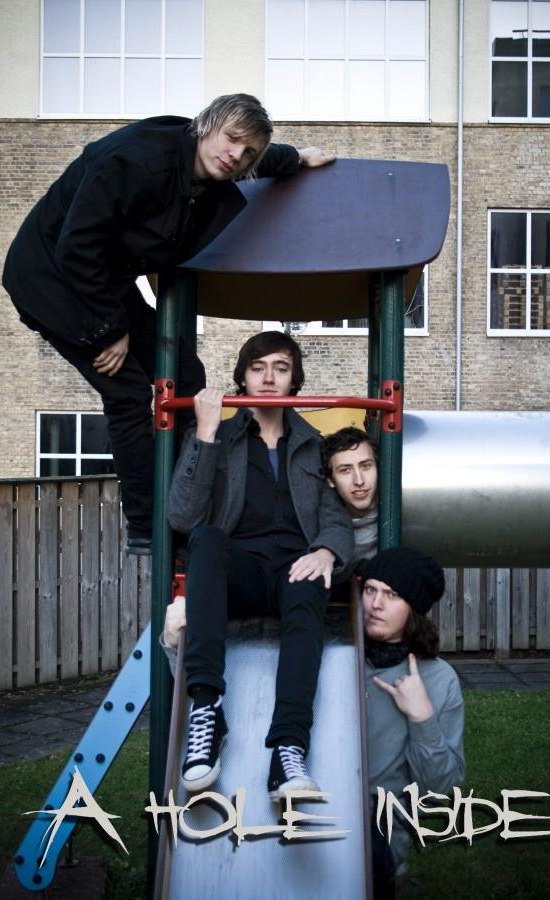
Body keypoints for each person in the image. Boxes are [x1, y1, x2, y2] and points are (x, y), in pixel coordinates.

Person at [2, 93, 335, 553]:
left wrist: (297, 157)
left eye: (247, 152)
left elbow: (259, 158)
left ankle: (183, 506)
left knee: (185, 372)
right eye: (231, 139)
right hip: (52, 277)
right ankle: (146, 525)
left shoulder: (223, 162)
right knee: (126, 391)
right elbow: (76, 248)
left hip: (103, 278)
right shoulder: (134, 161)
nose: (236, 155)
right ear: (205, 125)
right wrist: (109, 329)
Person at [167, 330, 353, 799]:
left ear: (294, 381)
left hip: (295, 569)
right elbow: (183, 516)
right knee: (206, 538)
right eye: (258, 368)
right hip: (242, 572)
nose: (269, 378)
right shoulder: (218, 437)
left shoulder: (313, 444)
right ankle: (207, 709)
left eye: (281, 368)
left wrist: (326, 551)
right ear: (243, 377)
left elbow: (335, 517)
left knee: (311, 584)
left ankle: (288, 749)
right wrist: (205, 435)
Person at [360, 548, 465, 896]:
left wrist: (422, 717)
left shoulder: (438, 679)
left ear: (414, 609)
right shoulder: (335, 655)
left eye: (392, 595)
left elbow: (440, 794)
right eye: (370, 590)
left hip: (380, 842)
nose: (376, 604)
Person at [322, 426, 379, 570]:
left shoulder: (404, 512)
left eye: (366, 466)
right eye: (345, 470)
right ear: (331, 480)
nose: (359, 481)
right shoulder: (322, 526)